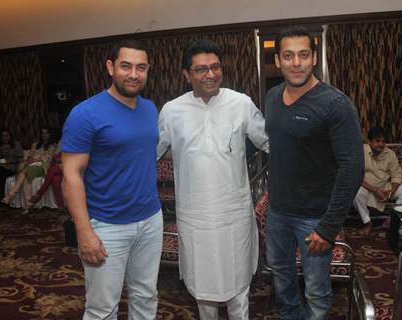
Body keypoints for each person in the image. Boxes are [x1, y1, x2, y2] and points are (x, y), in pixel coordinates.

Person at [157, 39, 269, 320]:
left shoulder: (240, 103)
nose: (210, 74)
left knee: (239, 286)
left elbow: (270, 143)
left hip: (233, 214)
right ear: (186, 74)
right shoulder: (172, 111)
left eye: (215, 67)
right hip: (196, 217)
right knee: (203, 289)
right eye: (201, 69)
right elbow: (149, 154)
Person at [264, 26, 364, 319]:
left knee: (316, 292)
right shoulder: (271, 97)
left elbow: (352, 168)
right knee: (281, 281)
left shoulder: (335, 104)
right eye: (288, 55)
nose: (296, 62)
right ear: (278, 61)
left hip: (314, 218)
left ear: (314, 58)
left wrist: (328, 226)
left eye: (303, 55)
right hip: (277, 212)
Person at [61, 40, 163, 320]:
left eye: (141, 68)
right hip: (106, 225)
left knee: (146, 296)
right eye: (126, 66)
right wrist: (84, 232)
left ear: (148, 70)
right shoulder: (85, 114)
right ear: (110, 67)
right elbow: (70, 176)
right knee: (102, 308)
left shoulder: (150, 109)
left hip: (150, 220)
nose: (133, 74)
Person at [353, 126, 402, 234]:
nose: (381, 144)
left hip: (385, 188)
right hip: (366, 187)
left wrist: (391, 192)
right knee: (355, 192)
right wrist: (375, 190)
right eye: (377, 141)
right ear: (369, 141)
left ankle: (392, 219)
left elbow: (397, 175)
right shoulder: (360, 151)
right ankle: (367, 223)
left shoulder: (390, 154)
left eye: (383, 141)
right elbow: (354, 176)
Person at [2, 126, 57, 212]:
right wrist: (30, 159)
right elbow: (30, 156)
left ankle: (10, 195)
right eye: (42, 133)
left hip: (41, 167)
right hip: (30, 166)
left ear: (50, 134)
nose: (44, 135)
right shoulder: (35, 145)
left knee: (24, 173)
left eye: (46, 133)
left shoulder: (52, 146)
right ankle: (29, 205)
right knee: (25, 177)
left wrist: (36, 159)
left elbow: (48, 157)